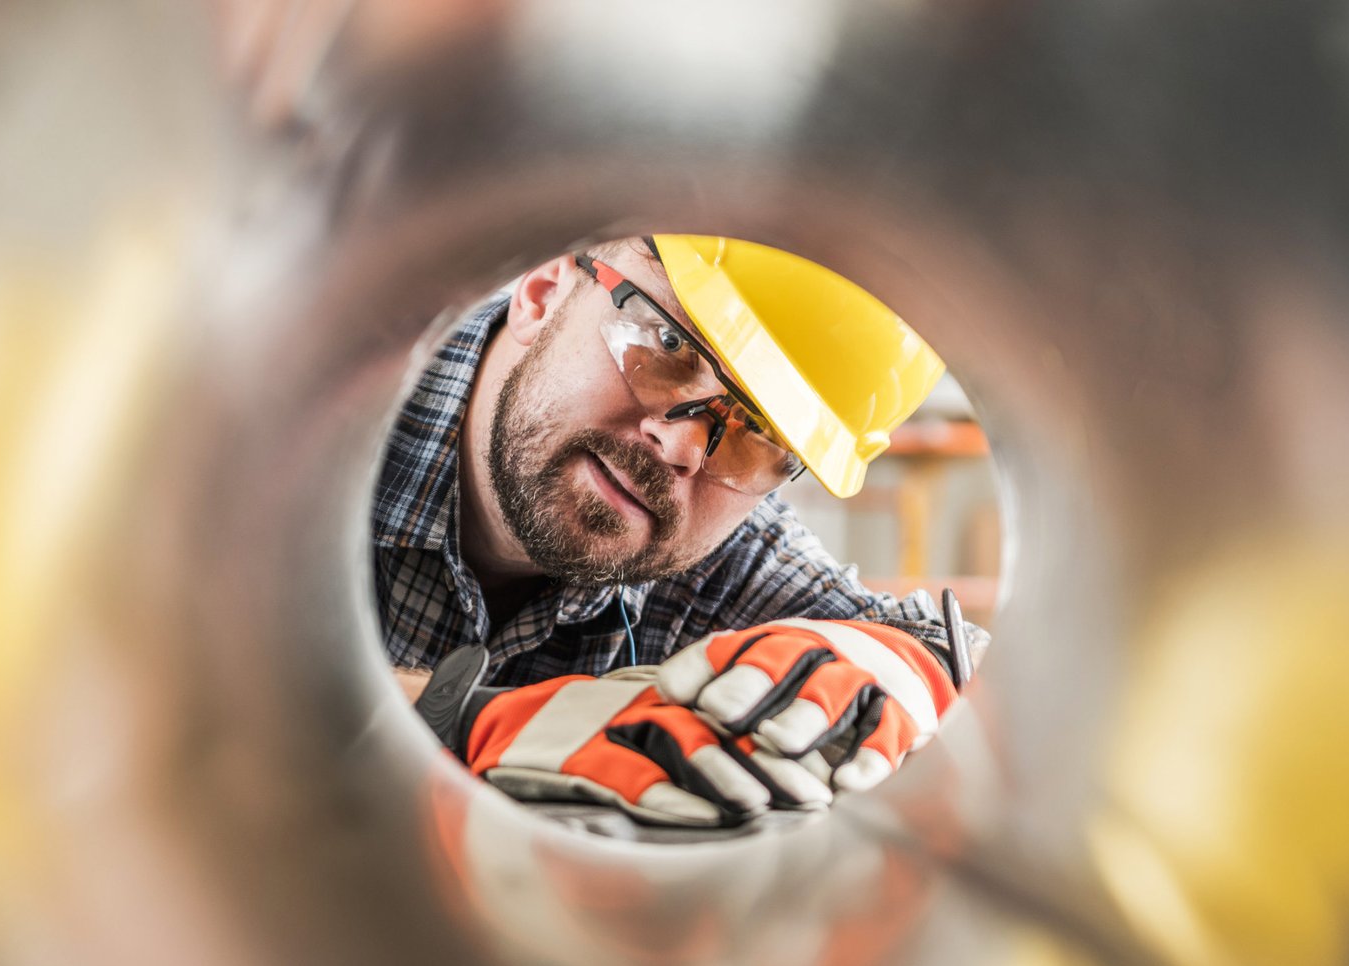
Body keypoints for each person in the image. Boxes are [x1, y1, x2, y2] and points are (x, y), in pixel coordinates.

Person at [372, 234, 986, 826]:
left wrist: (906, 667)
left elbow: (984, 688)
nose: (683, 446)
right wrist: (459, 720)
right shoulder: (306, 414)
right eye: (667, 344)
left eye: (763, 433)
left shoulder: (722, 561)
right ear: (544, 289)